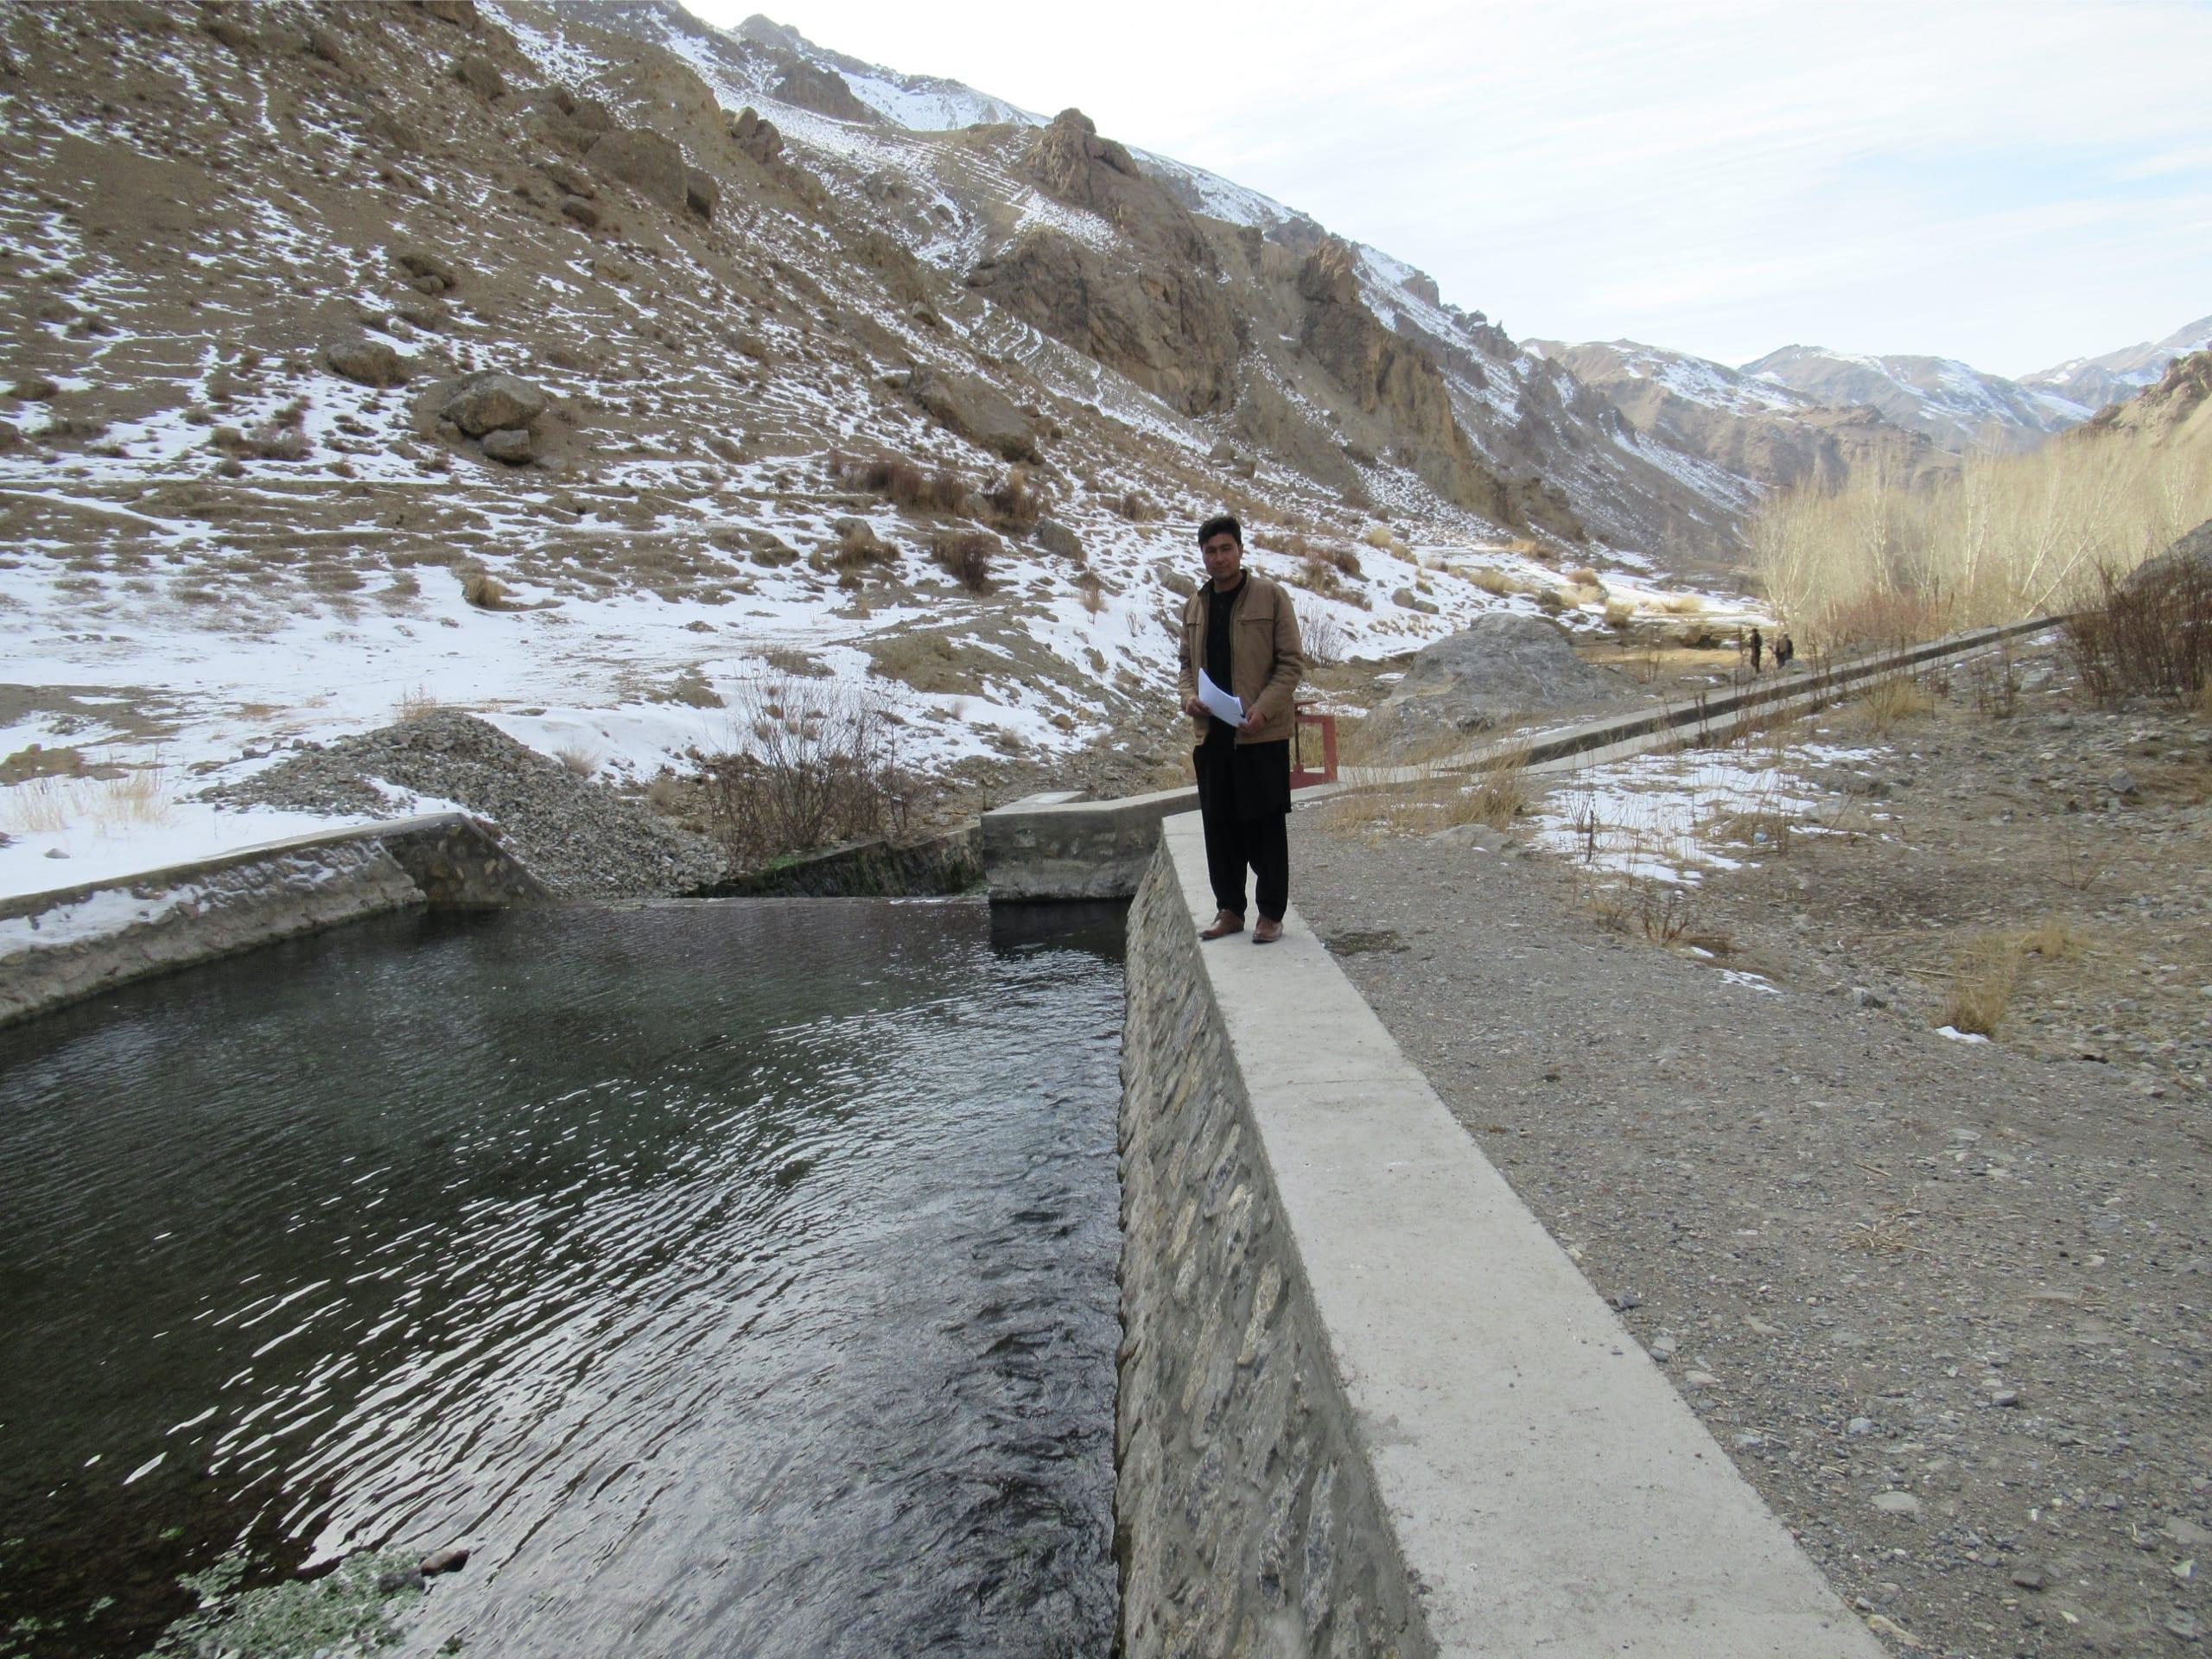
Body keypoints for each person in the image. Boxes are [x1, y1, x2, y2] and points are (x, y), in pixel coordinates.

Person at [1178, 514, 1303, 944]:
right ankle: (1229, 909)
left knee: (1266, 825)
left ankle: (1270, 914)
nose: (1218, 558)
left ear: (1240, 550)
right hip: (1212, 736)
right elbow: (1184, 666)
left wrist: (1265, 710)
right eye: (1210, 551)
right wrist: (1188, 697)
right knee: (1219, 826)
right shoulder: (1196, 604)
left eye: (1225, 548)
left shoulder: (1270, 597)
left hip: (1259, 734)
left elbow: (1291, 664)